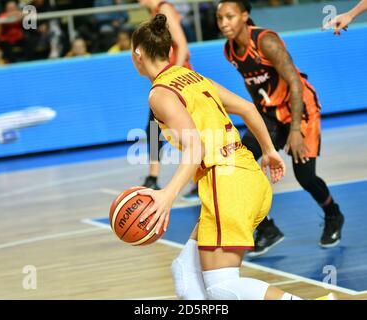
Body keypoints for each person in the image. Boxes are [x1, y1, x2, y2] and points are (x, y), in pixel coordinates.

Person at [131, 13, 335, 301]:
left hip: (225, 184)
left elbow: (195, 148)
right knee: (184, 270)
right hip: (247, 175)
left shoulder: (159, 94)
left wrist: (167, 195)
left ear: (137, 53)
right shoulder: (193, 77)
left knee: (222, 287)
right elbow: (249, 109)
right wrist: (268, 151)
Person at [216, 0, 345, 257]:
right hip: (270, 114)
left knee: (305, 177)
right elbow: (255, 87)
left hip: (301, 108)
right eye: (220, 19)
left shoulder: (266, 41)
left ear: (244, 16)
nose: (223, 23)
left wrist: (295, 130)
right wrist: (256, 122)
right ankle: (266, 228)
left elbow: (295, 83)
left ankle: (333, 214)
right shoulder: (230, 51)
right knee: (237, 163)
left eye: (229, 17)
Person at [137, 0, 198, 202]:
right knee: (155, 129)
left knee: (181, 133)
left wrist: (175, 76)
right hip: (168, 81)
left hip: (177, 83)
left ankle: (157, 177)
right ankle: (154, 177)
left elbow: (181, 45)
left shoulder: (164, 9)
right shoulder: (155, 11)